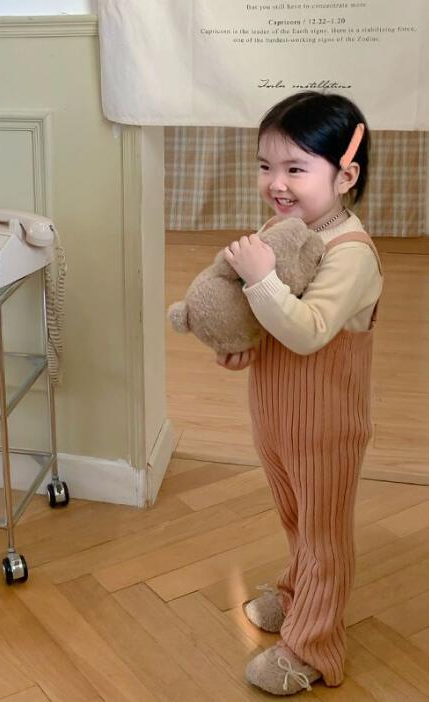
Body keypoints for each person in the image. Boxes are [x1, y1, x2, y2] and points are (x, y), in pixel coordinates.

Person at [219, 92, 383, 695]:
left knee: (324, 533)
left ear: (345, 175)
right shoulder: (279, 230)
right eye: (266, 166)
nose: (276, 183)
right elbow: (262, 316)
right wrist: (240, 343)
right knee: (296, 517)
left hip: (327, 422)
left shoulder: (351, 254)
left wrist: (260, 277)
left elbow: (309, 330)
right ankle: (297, 593)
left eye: (295, 168)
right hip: (276, 411)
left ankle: (313, 646)